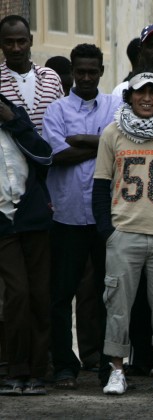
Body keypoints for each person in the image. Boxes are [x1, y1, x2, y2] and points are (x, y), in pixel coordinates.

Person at [93, 71, 153, 395]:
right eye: (140, 93)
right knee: (118, 304)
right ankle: (117, 371)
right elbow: (99, 187)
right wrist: (109, 231)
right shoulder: (112, 133)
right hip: (125, 233)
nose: (146, 98)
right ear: (130, 96)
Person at [42, 43, 123, 391]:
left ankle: (108, 367)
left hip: (106, 218)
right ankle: (64, 365)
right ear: (73, 72)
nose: (87, 77)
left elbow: (120, 147)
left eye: (93, 71)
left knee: (109, 295)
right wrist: (100, 143)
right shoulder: (56, 109)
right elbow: (56, 154)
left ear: (102, 71)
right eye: (81, 71)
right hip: (67, 217)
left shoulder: (115, 105)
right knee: (62, 296)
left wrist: (81, 140)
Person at [0, 89, 53, 397]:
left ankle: (37, 371)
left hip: (32, 219)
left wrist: (13, 122)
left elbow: (44, 155)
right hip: (3, 223)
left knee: (40, 294)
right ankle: (16, 368)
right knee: (17, 293)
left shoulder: (14, 114)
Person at [0, 15, 63, 133]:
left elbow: (63, 122)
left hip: (50, 151)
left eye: (21, 41)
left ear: (31, 41)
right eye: (9, 42)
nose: (16, 48)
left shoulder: (51, 78)